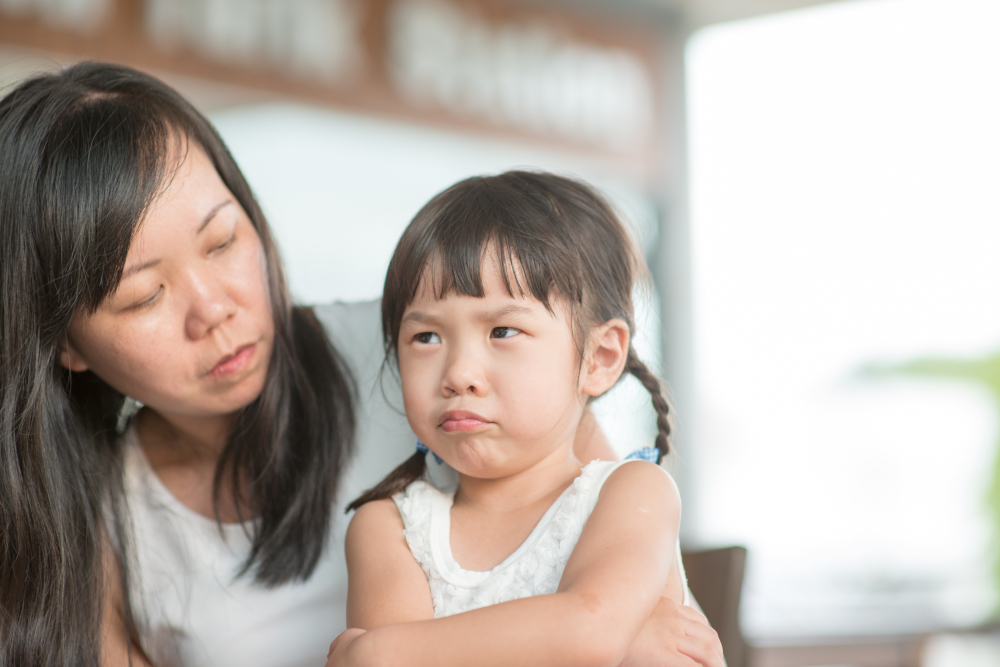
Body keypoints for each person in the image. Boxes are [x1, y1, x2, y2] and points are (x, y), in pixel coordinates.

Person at [0, 62, 724, 667]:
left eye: (222, 242)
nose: (213, 309)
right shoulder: (91, 520)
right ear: (64, 342)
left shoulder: (426, 352)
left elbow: (627, 596)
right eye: (145, 294)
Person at [326, 171, 691, 667]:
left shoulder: (632, 493)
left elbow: (588, 630)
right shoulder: (388, 528)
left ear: (600, 358)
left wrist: (376, 650)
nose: (458, 374)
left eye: (502, 330)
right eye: (426, 338)